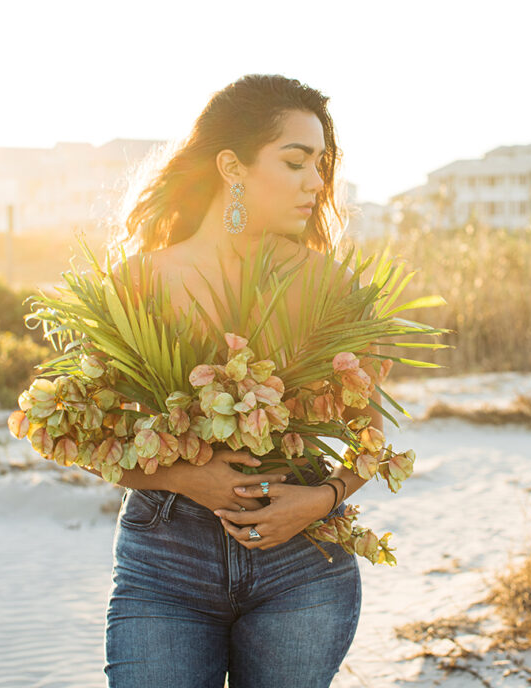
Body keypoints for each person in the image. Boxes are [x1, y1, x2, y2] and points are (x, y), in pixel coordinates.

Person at [80, 74, 382, 687]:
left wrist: (320, 499)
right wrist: (189, 478)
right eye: (296, 161)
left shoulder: (333, 288)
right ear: (231, 166)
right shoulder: (137, 283)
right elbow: (83, 434)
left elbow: (371, 438)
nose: (316, 182)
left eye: (322, 164)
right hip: (167, 562)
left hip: (303, 561)